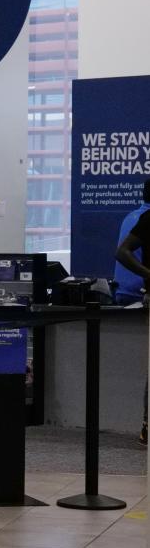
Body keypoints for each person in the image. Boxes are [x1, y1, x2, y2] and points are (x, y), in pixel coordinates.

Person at [113, 178, 150, 444]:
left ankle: (146, 426)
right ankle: (147, 425)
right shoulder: (145, 218)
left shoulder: (137, 216)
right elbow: (122, 252)